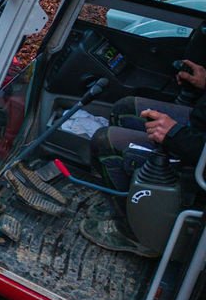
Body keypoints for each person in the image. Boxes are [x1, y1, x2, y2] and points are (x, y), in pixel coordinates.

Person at [83, 59, 206, 254]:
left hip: (197, 158)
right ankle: (124, 204)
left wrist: (176, 135)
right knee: (124, 109)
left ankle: (135, 234)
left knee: (104, 142)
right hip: (198, 126)